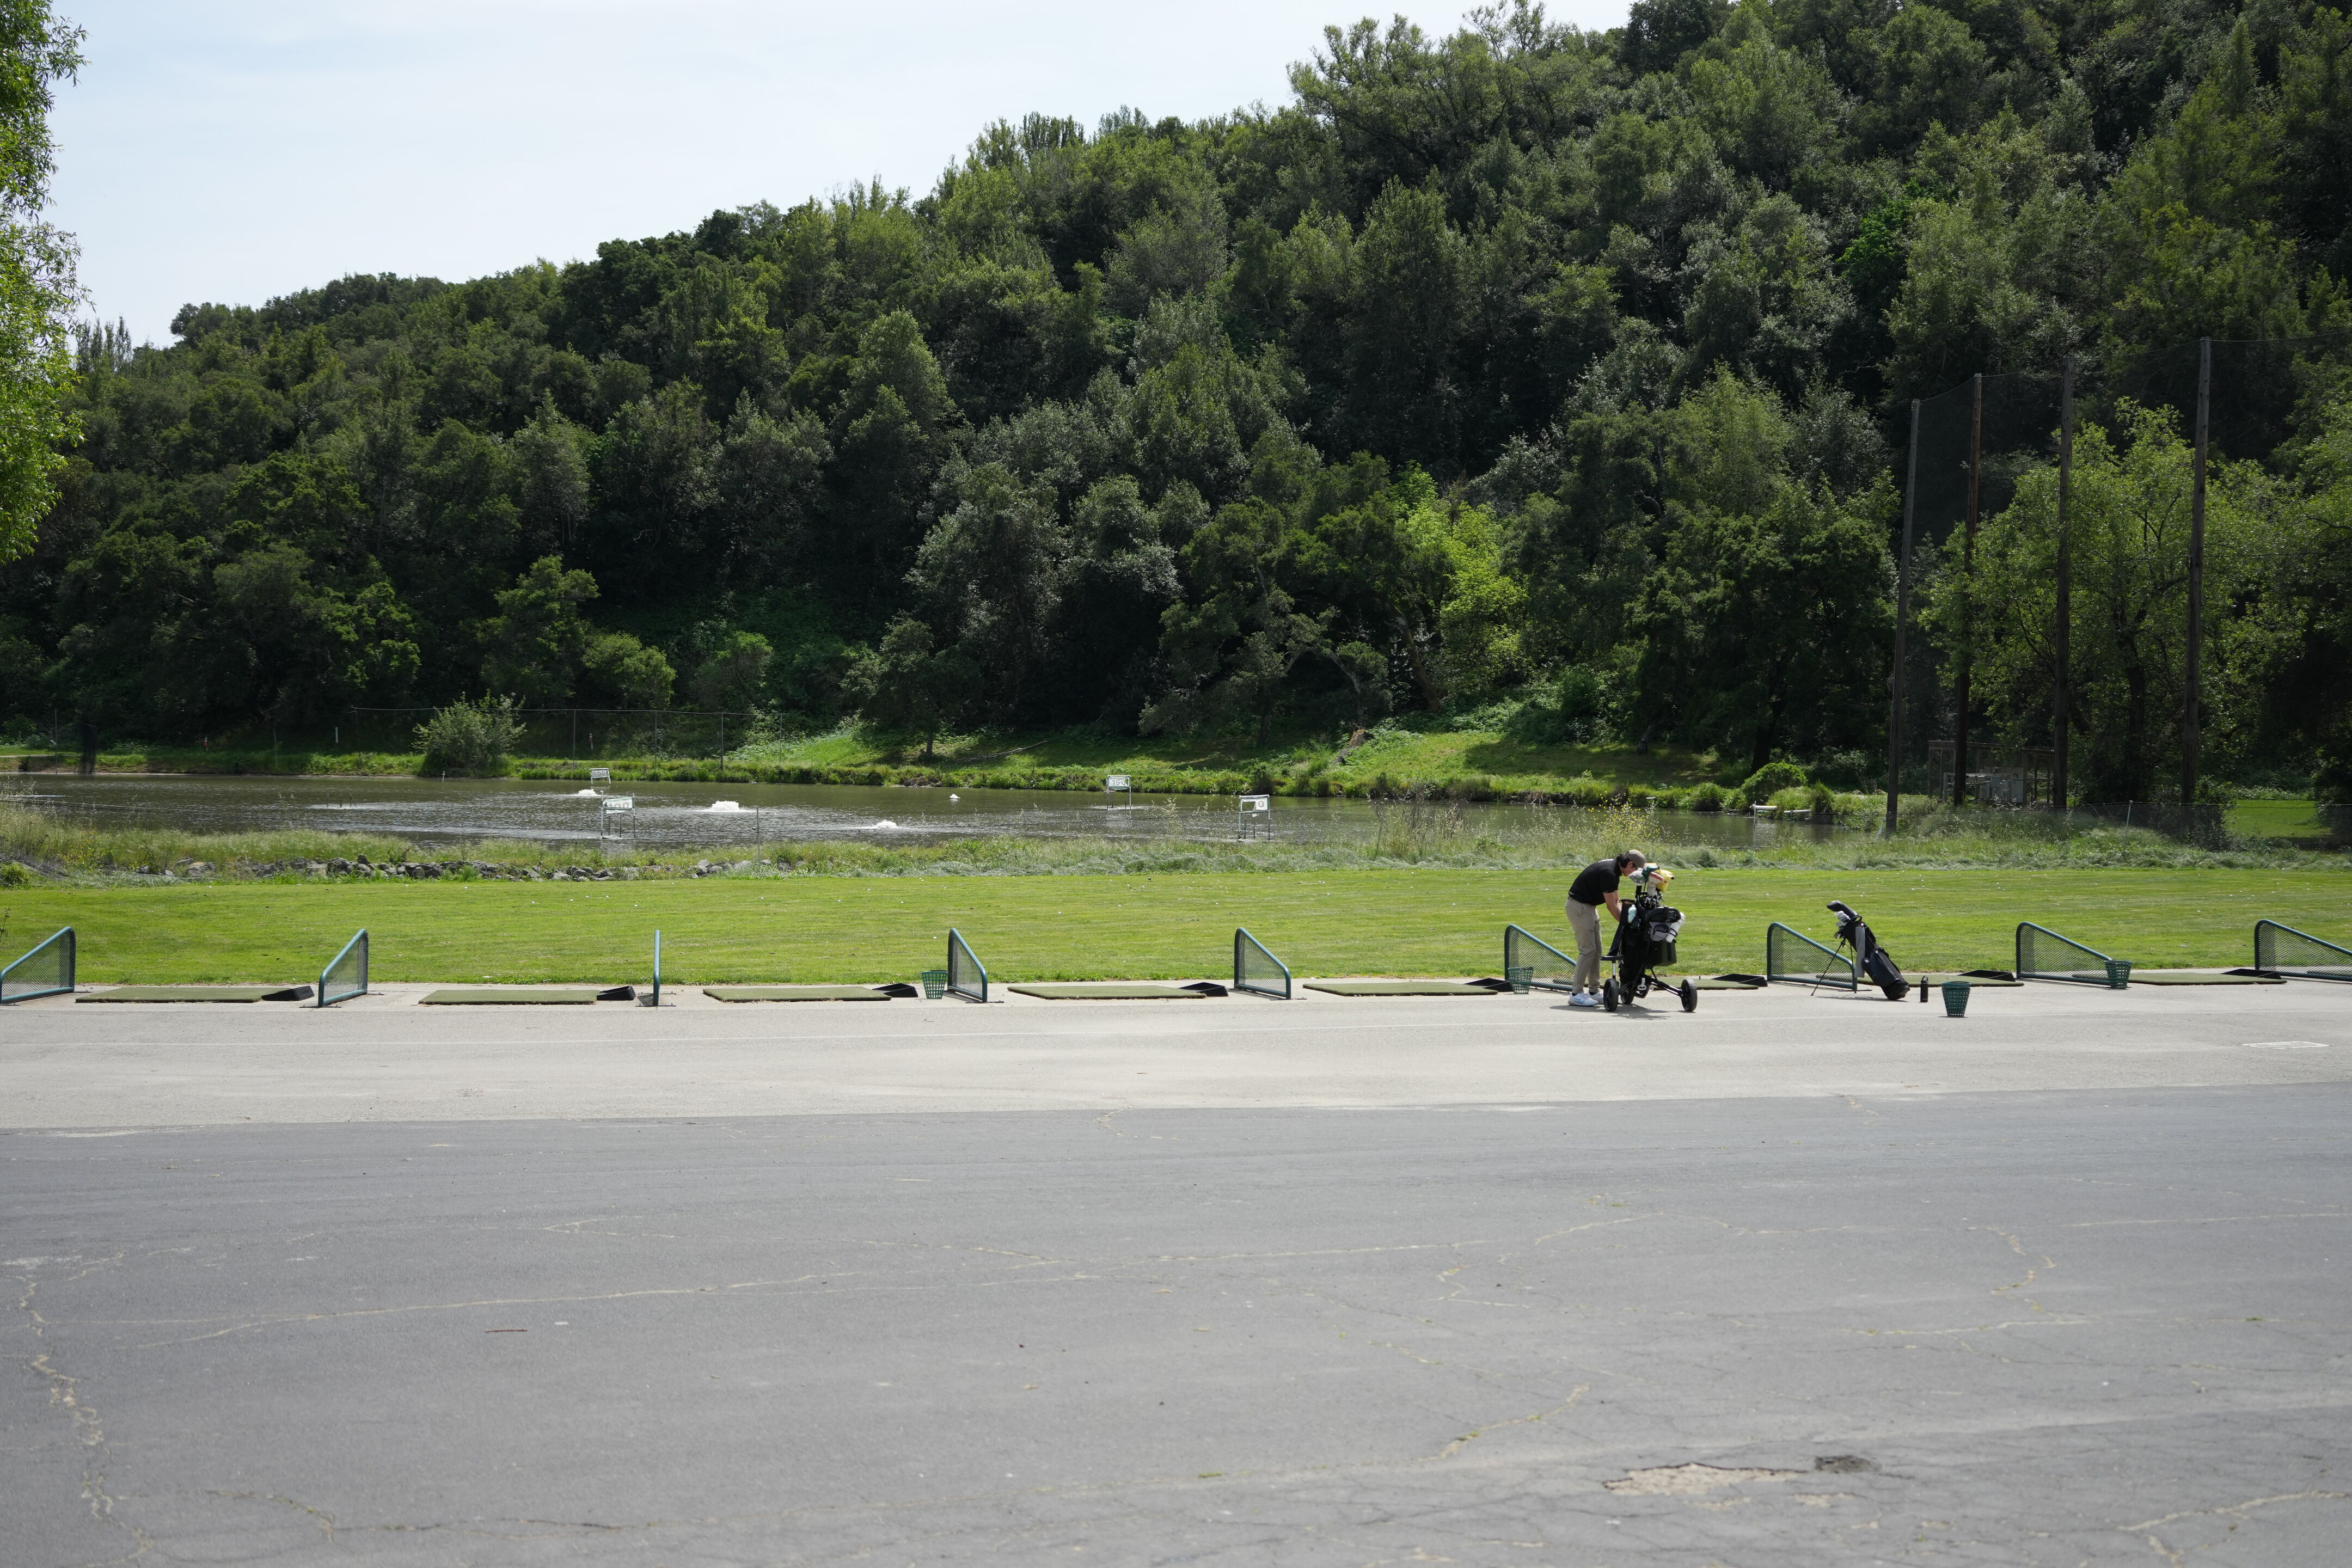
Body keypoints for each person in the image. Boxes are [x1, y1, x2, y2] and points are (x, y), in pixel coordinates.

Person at [1564, 850, 1646, 1007]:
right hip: (1579, 907)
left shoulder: (1615, 869)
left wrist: (1628, 919)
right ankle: (1576, 994)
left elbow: (1617, 901)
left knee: (1597, 951)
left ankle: (1594, 991)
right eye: (1635, 869)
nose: (1635, 873)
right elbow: (1611, 906)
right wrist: (1628, 925)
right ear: (1630, 864)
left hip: (1589, 907)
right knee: (1587, 950)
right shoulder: (1609, 873)